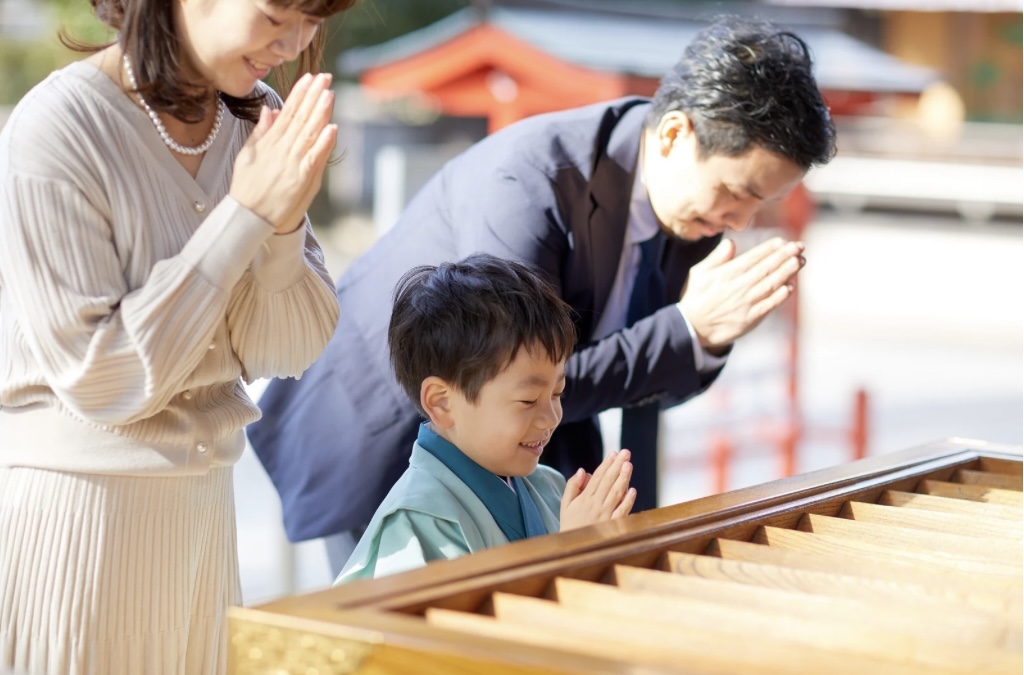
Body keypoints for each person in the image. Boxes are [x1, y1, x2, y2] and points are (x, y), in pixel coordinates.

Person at [249, 14, 837, 576]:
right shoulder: (529, 180)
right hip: (390, 438)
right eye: (737, 191)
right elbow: (523, 375)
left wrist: (700, 339)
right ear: (677, 133)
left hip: (514, 449)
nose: (741, 218)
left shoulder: (694, 212)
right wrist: (688, 331)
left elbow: (597, 384)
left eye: (761, 204)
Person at [0, 0, 354, 670]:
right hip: (81, 522)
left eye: (313, 18)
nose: (298, 41)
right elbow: (100, 375)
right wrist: (243, 215)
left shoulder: (254, 115)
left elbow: (290, 344)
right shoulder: (59, 128)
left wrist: (278, 226)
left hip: (201, 518)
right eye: (279, 11)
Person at [336, 254, 636, 583]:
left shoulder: (549, 487)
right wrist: (574, 551)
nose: (551, 417)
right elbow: (463, 631)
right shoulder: (416, 523)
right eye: (528, 400)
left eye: (557, 393)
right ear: (442, 403)